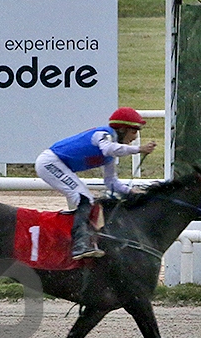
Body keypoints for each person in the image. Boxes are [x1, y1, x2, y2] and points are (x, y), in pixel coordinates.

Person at [35, 107, 156, 260]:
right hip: (49, 163)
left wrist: (131, 192)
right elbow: (108, 149)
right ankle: (79, 246)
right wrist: (138, 149)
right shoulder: (103, 135)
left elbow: (111, 182)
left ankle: (80, 241)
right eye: (133, 131)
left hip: (58, 165)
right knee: (84, 198)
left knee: (87, 200)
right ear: (122, 129)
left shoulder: (110, 155)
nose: (135, 137)